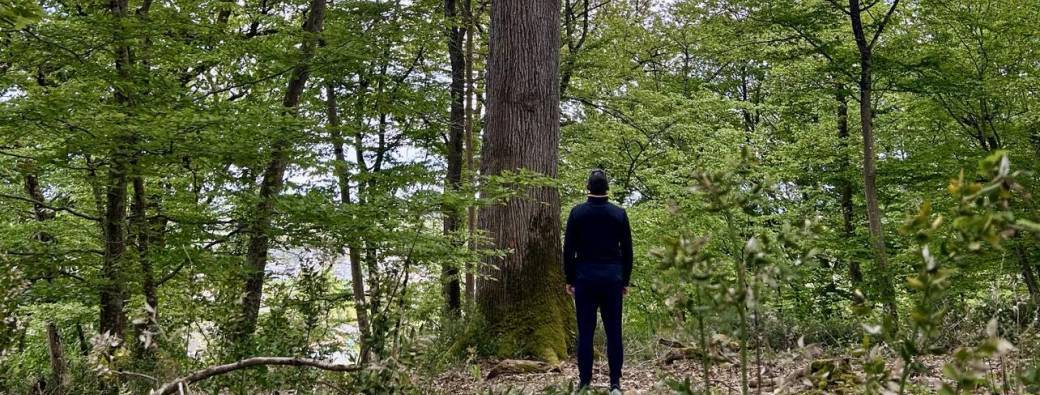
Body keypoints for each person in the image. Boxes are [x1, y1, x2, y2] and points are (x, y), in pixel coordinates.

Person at [563, 169, 633, 394]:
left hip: (585, 278)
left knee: (585, 333)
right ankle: (615, 384)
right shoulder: (619, 214)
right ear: (607, 189)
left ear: (588, 188)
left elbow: (568, 250)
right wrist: (625, 280)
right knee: (614, 332)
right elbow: (628, 252)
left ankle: (584, 383)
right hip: (613, 279)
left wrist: (570, 278)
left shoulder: (577, 213)